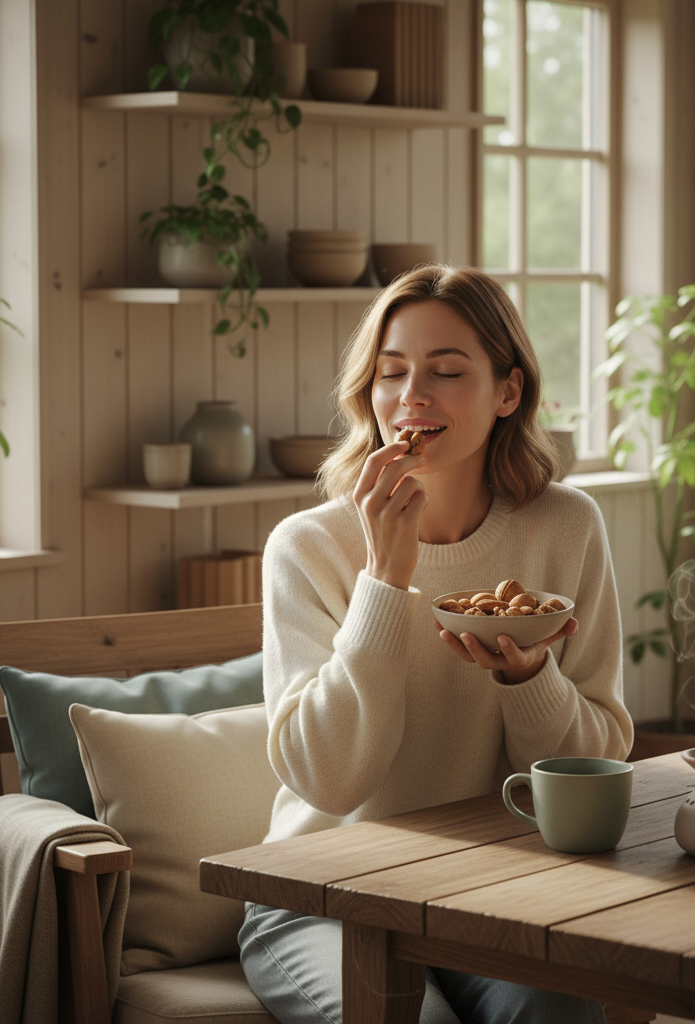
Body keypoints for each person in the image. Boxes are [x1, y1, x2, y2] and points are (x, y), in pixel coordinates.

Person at [239, 265, 633, 1024]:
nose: (410, 397)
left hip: (490, 890)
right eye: (391, 374)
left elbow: (602, 764)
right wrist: (385, 579)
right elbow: (329, 780)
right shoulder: (308, 548)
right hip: (323, 897)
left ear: (508, 392)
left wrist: (530, 680)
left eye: (446, 372)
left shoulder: (566, 528)